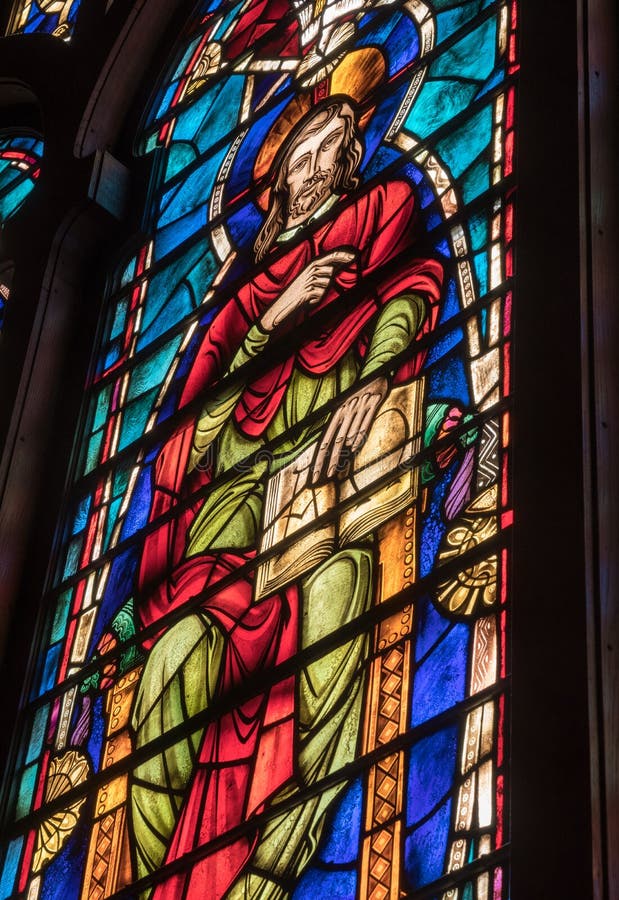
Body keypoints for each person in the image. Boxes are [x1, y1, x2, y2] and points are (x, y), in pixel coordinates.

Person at [124, 95, 443, 898]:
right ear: (275, 185)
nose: (313, 170)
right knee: (172, 655)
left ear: (350, 164)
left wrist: (377, 373)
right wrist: (276, 318)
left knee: (339, 601)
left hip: (335, 488)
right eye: (299, 157)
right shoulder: (240, 303)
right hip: (233, 521)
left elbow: (414, 287)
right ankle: (168, 882)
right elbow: (194, 445)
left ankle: (272, 873)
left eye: (331, 152)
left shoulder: (383, 209)